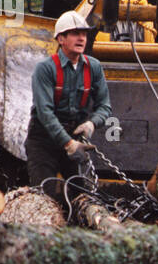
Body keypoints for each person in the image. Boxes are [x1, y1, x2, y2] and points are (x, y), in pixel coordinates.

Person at [26, 11, 113, 202]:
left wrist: (92, 124)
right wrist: (68, 143)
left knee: (84, 198)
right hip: (43, 142)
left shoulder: (94, 67)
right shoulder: (45, 69)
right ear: (61, 39)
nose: (81, 38)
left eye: (83, 33)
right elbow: (45, 113)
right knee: (44, 199)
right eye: (75, 33)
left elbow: (105, 106)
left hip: (75, 139)